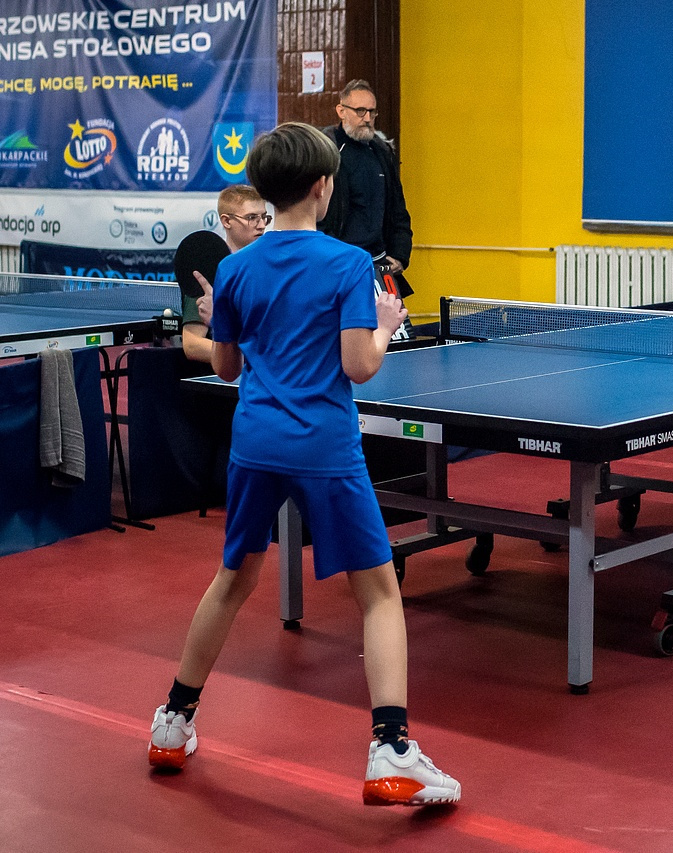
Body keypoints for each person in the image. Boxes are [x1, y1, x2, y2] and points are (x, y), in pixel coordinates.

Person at [147, 122, 460, 807]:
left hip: (256, 442)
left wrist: (219, 317)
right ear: (322, 187)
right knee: (379, 592)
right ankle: (392, 750)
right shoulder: (349, 263)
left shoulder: (235, 268)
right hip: (324, 445)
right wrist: (386, 327)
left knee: (232, 578)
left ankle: (173, 721)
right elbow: (360, 365)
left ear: (268, 191)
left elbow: (226, 367)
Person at [318, 79, 415, 297]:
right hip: (339, 266)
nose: (368, 119)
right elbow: (313, 213)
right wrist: (332, 258)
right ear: (341, 111)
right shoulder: (326, 151)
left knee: (395, 319)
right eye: (360, 111)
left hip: (380, 265)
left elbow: (398, 209)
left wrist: (400, 255)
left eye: (372, 112)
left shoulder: (382, 152)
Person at [181, 185, 270, 364]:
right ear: (226, 221)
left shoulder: (268, 267)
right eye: (251, 218)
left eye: (264, 217)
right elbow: (192, 344)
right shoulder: (208, 269)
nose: (261, 225)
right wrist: (250, 357)